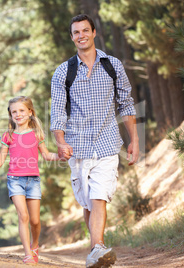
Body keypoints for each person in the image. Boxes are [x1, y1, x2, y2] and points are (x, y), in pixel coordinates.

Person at [50, 14, 139, 268]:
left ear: (94, 33)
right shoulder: (63, 71)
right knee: (88, 200)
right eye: (76, 32)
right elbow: (58, 112)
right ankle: (94, 249)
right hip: (77, 147)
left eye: (85, 31)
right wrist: (60, 142)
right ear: (72, 37)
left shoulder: (113, 65)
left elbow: (126, 104)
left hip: (108, 143)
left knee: (99, 196)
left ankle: (97, 247)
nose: (81, 36)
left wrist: (134, 140)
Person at [0, 96, 61, 264]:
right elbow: (0, 159)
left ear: (30, 112)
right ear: (10, 115)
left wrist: (61, 155)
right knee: (23, 215)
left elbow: (47, 155)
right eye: (14, 112)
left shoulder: (36, 134)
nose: (18, 114)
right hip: (15, 180)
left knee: (34, 220)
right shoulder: (8, 135)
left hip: (33, 181)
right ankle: (27, 253)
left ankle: (35, 244)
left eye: (21, 110)